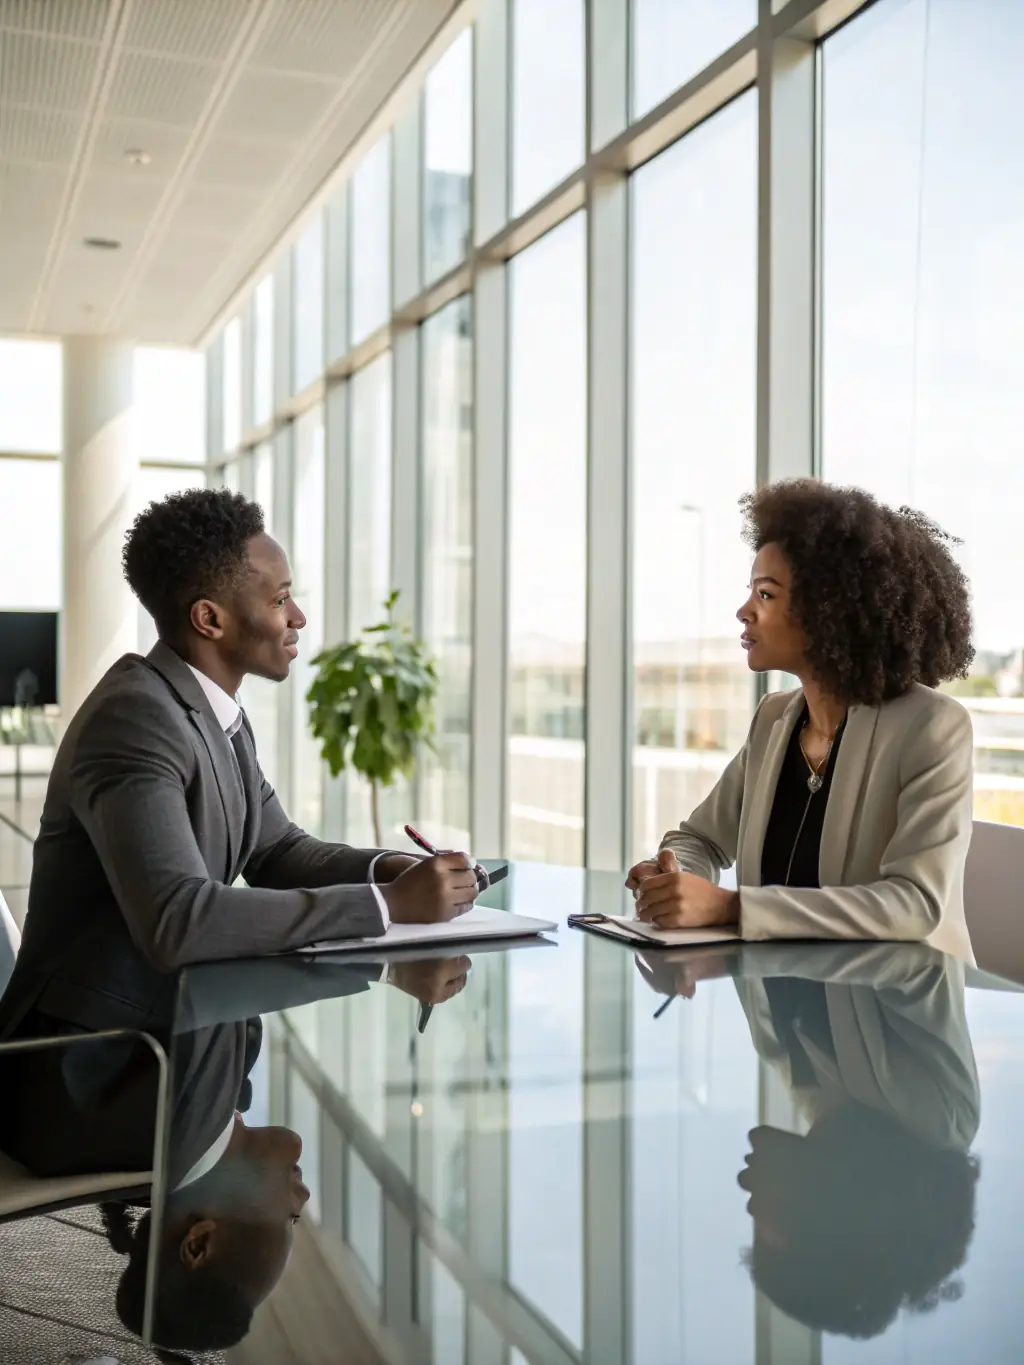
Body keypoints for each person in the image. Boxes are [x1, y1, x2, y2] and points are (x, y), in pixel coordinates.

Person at [0, 488, 479, 1043]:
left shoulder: (211, 712)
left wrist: (391, 869)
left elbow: (278, 851)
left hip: (175, 1039)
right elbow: (178, 920)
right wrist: (386, 905)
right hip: (96, 1067)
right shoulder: (134, 719)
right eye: (280, 601)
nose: (298, 616)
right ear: (210, 618)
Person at [626, 479, 976, 960]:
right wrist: (675, 875)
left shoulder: (932, 726)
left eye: (766, 596)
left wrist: (731, 907)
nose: (744, 611)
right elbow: (702, 840)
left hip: (899, 1012)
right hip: (783, 1008)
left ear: (830, 610)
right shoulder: (774, 718)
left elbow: (914, 904)